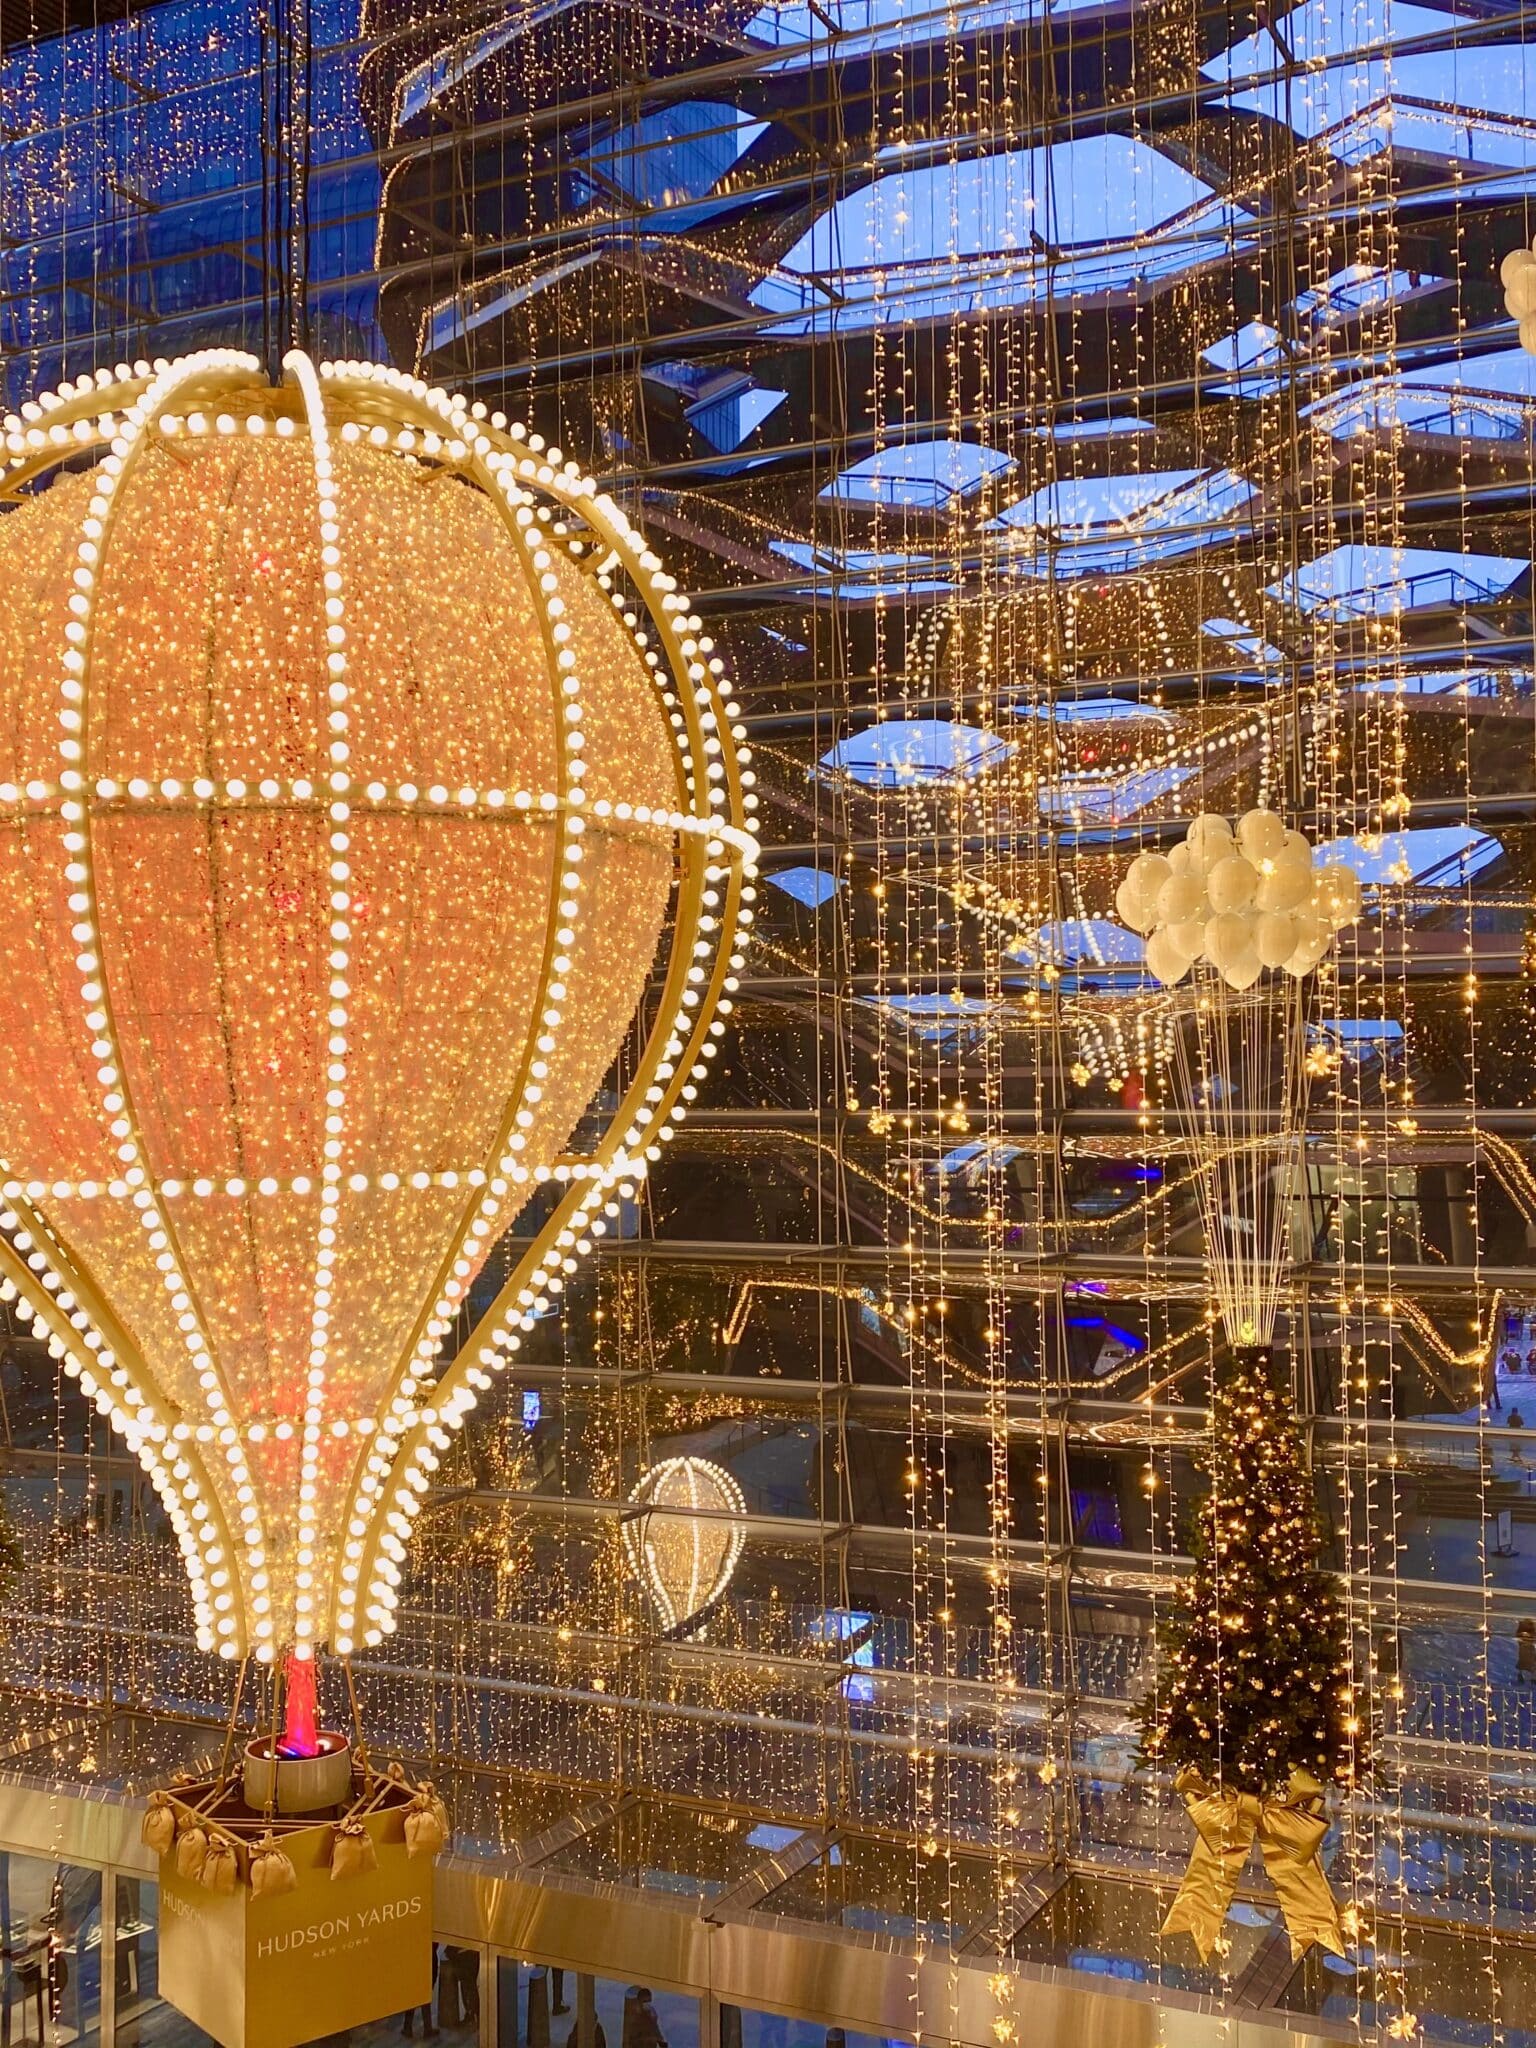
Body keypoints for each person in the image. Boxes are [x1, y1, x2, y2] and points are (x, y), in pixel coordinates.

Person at [1517, 1620, 1536, 1685]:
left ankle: (1532, 1677)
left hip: (1527, 1648)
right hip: (1527, 1648)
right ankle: (1532, 1678)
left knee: (1526, 1661)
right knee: (1527, 1661)